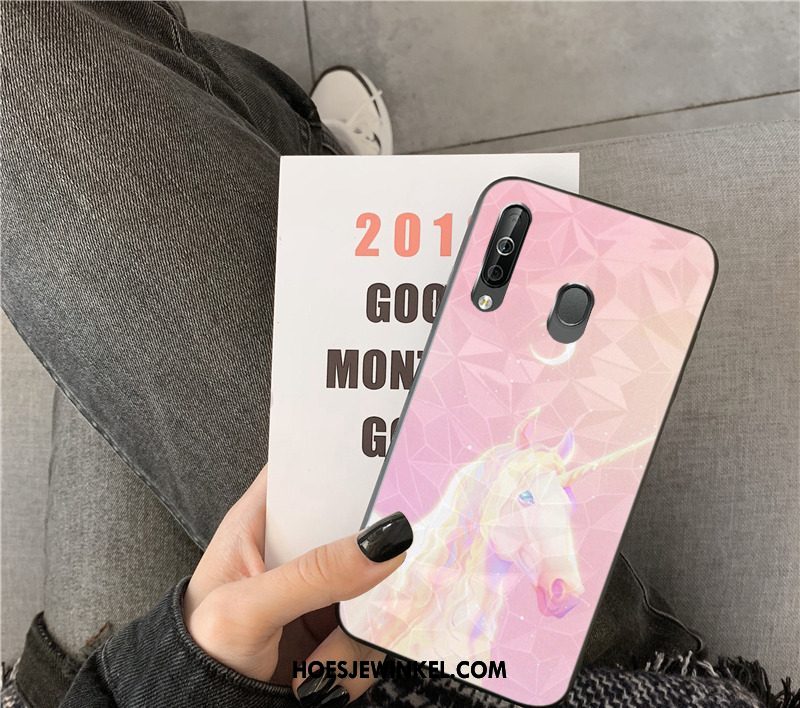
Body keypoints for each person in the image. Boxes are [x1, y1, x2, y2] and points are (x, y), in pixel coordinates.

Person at [0, 3, 772, 707]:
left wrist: (182, 677)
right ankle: (314, 153)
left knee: (52, 82)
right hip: (558, 674)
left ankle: (317, 160)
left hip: (109, 689)